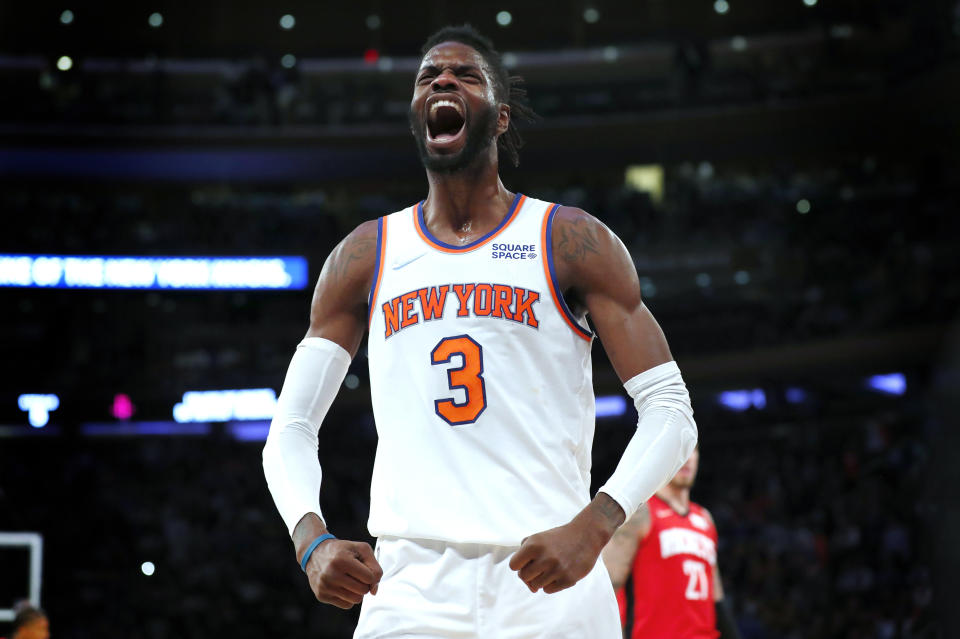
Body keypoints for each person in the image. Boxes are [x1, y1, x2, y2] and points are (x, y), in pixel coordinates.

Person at [262, 24, 698, 638]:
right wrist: (311, 540)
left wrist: (597, 525)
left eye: (466, 75)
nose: (442, 79)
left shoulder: (570, 240)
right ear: (417, 117)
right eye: (427, 77)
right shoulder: (365, 255)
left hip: (554, 574)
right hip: (408, 584)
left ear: (499, 117)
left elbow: (671, 410)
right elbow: (292, 425)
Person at [602, 448, 741, 639]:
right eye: (680, 447)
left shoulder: (705, 519)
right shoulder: (641, 513)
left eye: (693, 449)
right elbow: (606, 586)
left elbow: (716, 598)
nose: (687, 457)